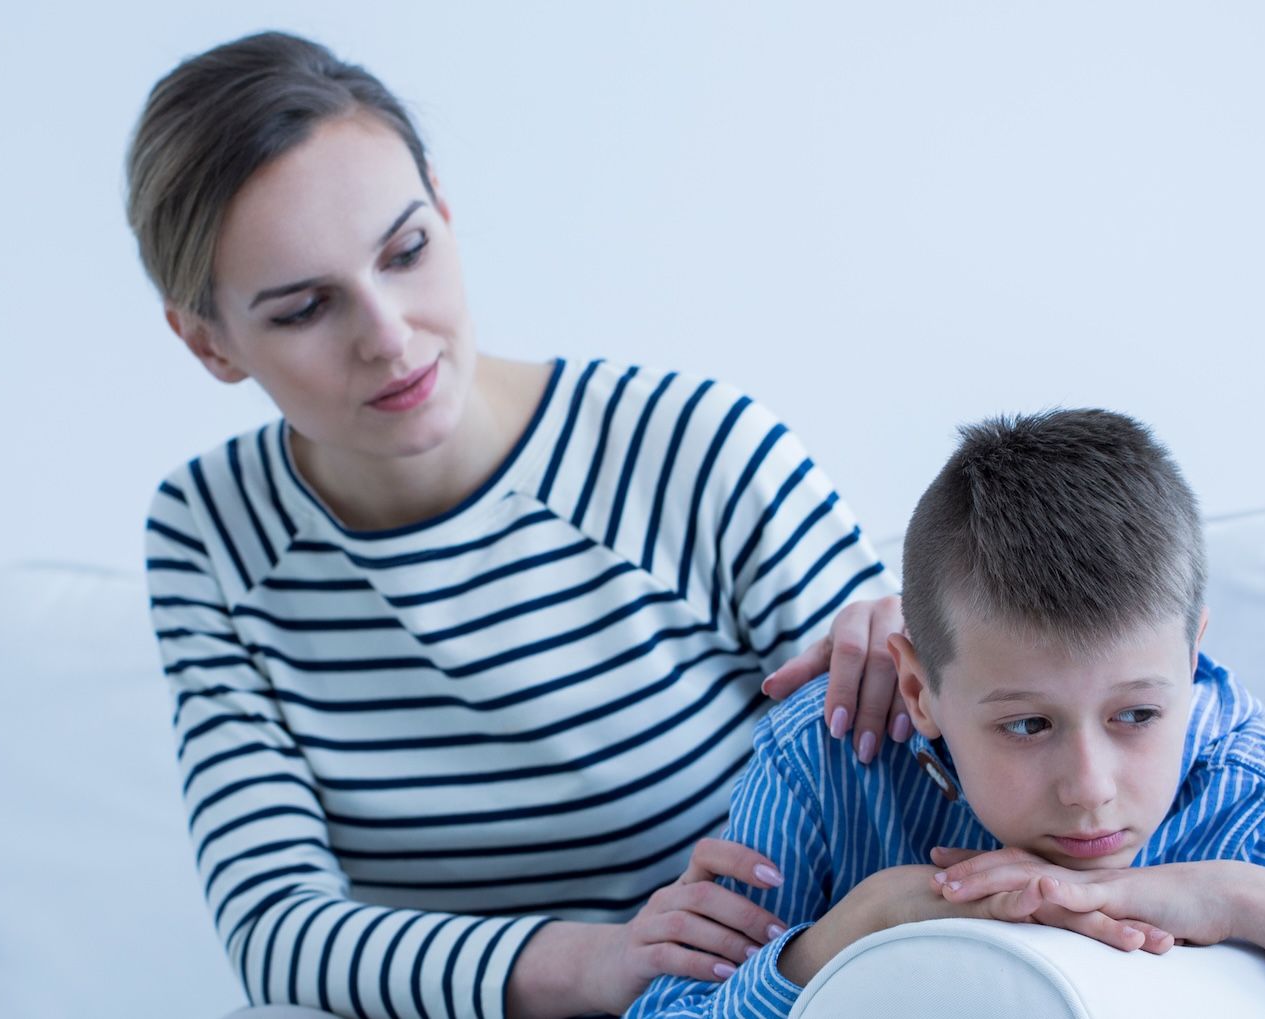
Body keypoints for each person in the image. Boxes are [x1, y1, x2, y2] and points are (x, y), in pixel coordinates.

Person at [129, 31, 905, 1018]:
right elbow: (274, 926)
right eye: (304, 307)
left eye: (405, 252)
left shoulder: (690, 448)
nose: (387, 335)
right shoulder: (209, 530)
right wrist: (598, 959)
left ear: (444, 210)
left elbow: (916, 770)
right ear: (207, 341)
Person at [626, 409, 1265, 1019]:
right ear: (921, 687)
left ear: (1192, 662)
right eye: (1026, 724)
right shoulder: (827, 754)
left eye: (1137, 714)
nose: (1091, 789)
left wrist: (1243, 900)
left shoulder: (1238, 787)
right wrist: (857, 926)